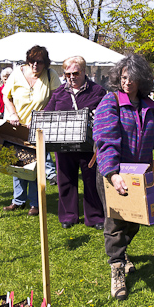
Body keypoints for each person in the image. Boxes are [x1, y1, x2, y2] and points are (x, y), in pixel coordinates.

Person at [94, 54, 154, 300]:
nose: (127, 83)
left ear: (142, 80)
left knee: (137, 220)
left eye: (132, 79)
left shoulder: (149, 106)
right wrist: (112, 173)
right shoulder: (109, 102)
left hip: (140, 175)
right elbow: (106, 140)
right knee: (115, 222)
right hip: (113, 173)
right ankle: (116, 269)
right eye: (123, 78)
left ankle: (121, 254)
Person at [44, 55, 106, 230]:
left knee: (92, 181)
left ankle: (94, 217)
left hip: (88, 146)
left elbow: (105, 114)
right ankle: (68, 216)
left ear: (84, 71)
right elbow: (48, 114)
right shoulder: (59, 93)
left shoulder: (97, 91)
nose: (71, 77)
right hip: (63, 146)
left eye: (75, 73)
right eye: (67, 74)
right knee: (66, 180)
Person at [3, 46, 61, 216]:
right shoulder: (17, 73)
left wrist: (43, 114)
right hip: (17, 127)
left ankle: (35, 202)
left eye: (40, 62)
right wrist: (13, 113)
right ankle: (18, 200)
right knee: (18, 164)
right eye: (32, 61)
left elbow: (58, 97)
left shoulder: (51, 75)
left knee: (35, 166)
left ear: (45, 63)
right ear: (27, 60)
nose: (35, 65)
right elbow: (6, 96)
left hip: (39, 128)